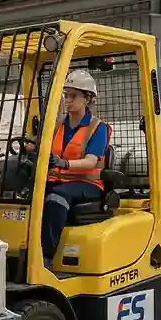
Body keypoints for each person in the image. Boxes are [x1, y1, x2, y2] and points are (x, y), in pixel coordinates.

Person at [43, 69, 110, 265]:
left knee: (56, 198)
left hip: (88, 184)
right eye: (66, 95)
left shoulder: (98, 128)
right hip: (59, 180)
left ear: (87, 99)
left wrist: (65, 163)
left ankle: (46, 257)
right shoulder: (57, 127)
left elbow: (90, 161)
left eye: (73, 96)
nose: (67, 100)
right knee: (27, 196)